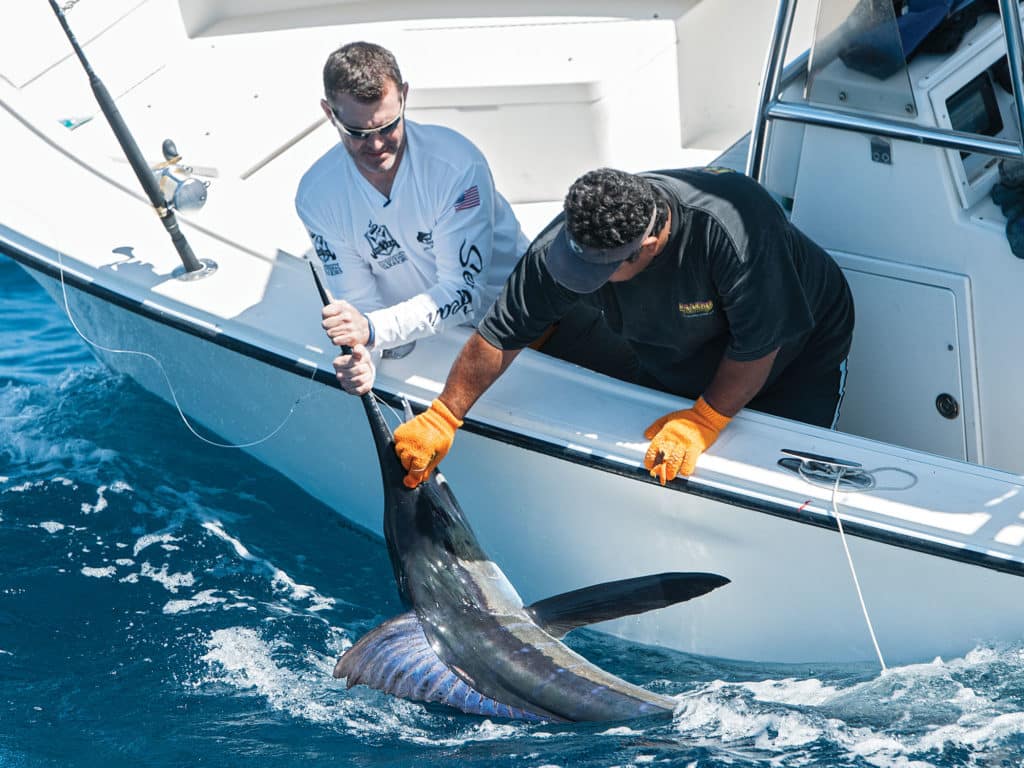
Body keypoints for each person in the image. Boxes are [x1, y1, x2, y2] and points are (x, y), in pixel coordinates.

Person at [392, 166, 854, 487]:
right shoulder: (572, 240)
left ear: (650, 243)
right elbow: (502, 331)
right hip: (674, 342)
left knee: (781, 473)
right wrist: (444, 414)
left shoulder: (733, 231)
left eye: (597, 270)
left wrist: (706, 420)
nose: (577, 273)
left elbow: (759, 345)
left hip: (793, 351)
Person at [295, 41, 527, 394]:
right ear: (329, 113)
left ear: (403, 96)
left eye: (388, 126)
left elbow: (464, 294)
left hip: (517, 329)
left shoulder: (457, 166)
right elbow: (359, 301)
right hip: (418, 336)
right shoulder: (316, 197)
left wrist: (372, 331)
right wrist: (364, 360)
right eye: (357, 133)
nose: (375, 146)